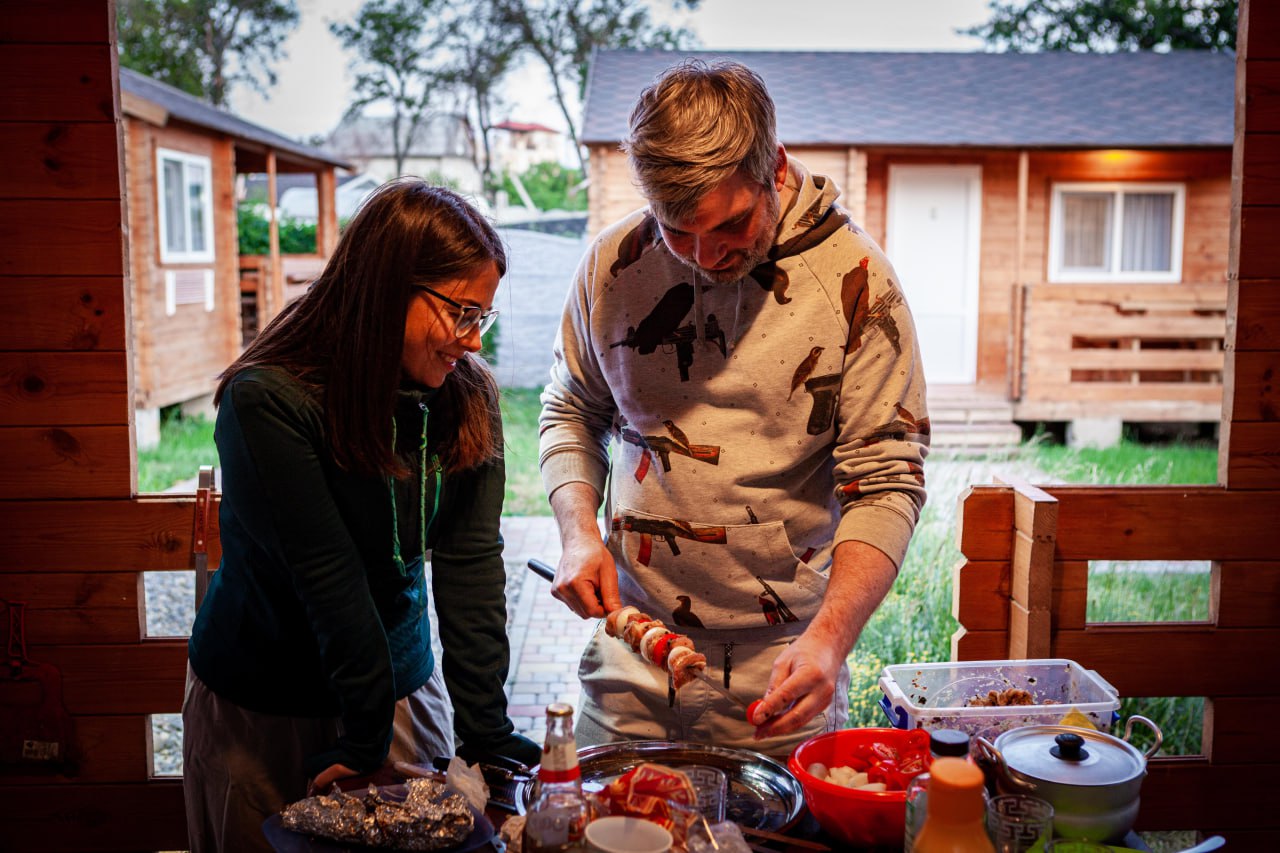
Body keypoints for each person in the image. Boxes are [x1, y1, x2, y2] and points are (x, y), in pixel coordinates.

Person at [539, 59, 930, 756]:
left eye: (730, 225)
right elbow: (571, 406)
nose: (699, 256)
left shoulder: (859, 282)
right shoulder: (610, 264)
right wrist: (577, 531)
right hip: (632, 642)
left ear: (774, 167)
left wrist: (829, 641)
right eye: (674, 230)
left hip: (781, 658)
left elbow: (886, 479)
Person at [182, 179, 540, 852]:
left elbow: (470, 565)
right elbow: (327, 572)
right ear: (388, 288)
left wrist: (487, 726)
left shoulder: (467, 399)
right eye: (461, 312)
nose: (471, 341)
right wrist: (364, 737)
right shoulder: (269, 401)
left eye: (482, 317)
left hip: (401, 694)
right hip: (260, 706)